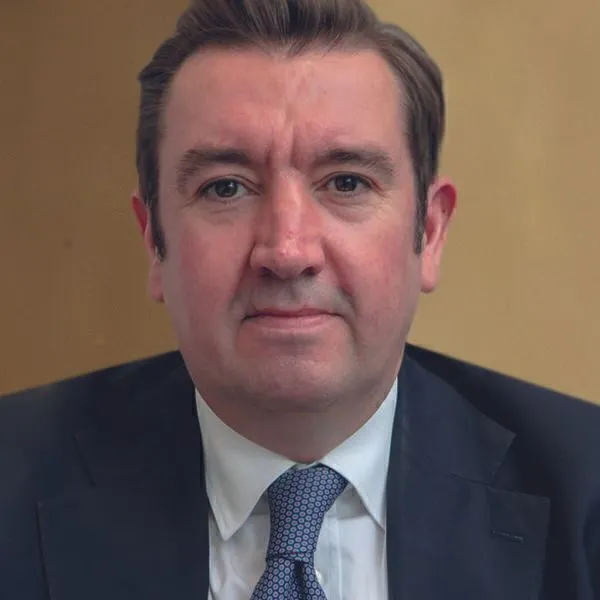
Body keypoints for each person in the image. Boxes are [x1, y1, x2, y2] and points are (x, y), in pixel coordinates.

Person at [1, 0, 599, 598]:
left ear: (430, 231)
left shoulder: (585, 492)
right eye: (226, 188)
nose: (287, 252)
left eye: (346, 183)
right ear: (154, 242)